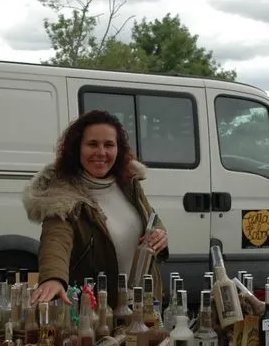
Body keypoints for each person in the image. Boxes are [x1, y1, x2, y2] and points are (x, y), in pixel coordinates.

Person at [23, 110, 169, 308]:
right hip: (98, 311)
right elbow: (56, 239)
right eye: (92, 144)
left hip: (143, 305)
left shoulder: (129, 183)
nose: (101, 152)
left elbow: (151, 218)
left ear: (118, 149)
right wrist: (53, 278)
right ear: (77, 148)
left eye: (109, 145)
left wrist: (160, 233)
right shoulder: (62, 194)